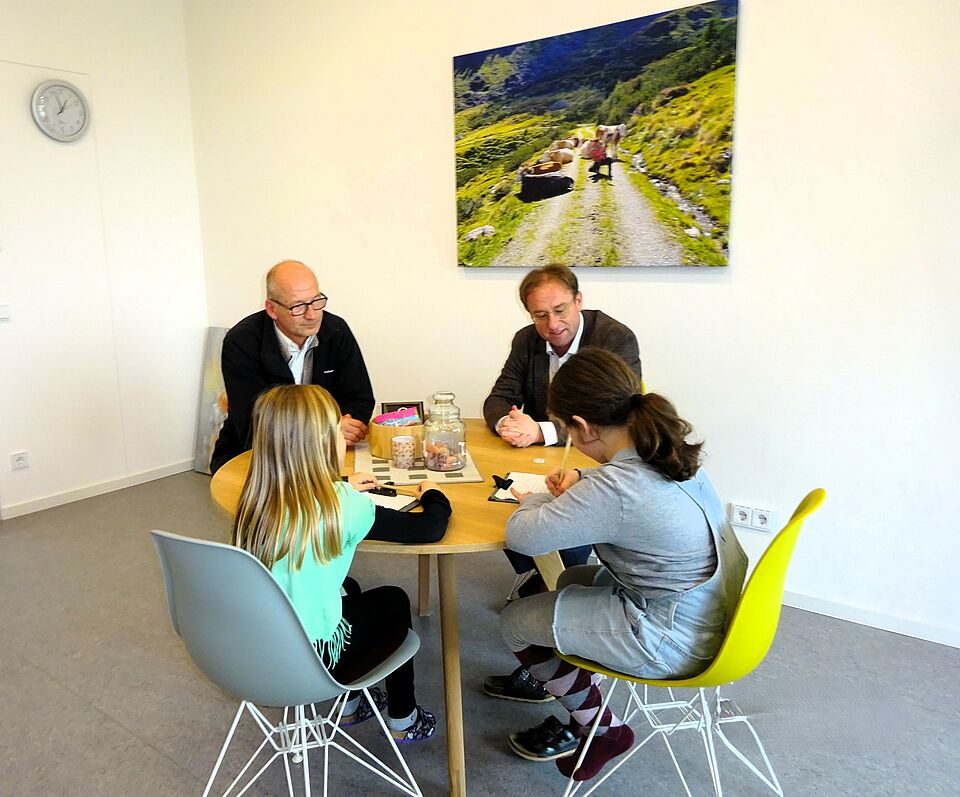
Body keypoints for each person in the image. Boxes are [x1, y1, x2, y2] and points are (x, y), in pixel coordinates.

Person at [484, 348, 747, 782]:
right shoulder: (669, 450)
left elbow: (524, 535)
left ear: (582, 427)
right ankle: (581, 690)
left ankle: (599, 727)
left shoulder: (617, 488)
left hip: (672, 639)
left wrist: (533, 498)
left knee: (515, 621)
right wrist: (582, 484)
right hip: (715, 610)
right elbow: (627, 500)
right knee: (572, 579)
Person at [231, 384, 451, 742]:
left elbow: (306, 491)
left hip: (254, 647)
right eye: (339, 430)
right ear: (323, 443)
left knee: (348, 587)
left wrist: (343, 482)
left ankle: (350, 707)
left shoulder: (258, 494)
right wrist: (434, 494)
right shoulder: (344, 505)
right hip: (311, 660)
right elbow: (429, 529)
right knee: (393, 599)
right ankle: (404, 718)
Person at [482, 265, 642, 611]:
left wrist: (541, 430)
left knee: (551, 523)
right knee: (501, 503)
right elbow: (498, 399)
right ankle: (542, 575)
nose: (552, 324)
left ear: (578, 300)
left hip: (596, 457)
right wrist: (506, 424)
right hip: (542, 458)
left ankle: (563, 586)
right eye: (540, 315)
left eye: (560, 310)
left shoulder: (615, 338)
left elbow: (613, 417)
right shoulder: (527, 340)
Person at [211, 259, 375, 473]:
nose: (312, 314)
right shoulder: (242, 342)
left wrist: (350, 426)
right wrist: (329, 431)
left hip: (329, 454)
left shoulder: (336, 331)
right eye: (298, 306)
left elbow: (360, 398)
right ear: (271, 309)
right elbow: (255, 426)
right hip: (258, 457)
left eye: (317, 301)